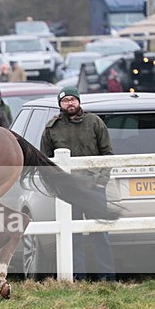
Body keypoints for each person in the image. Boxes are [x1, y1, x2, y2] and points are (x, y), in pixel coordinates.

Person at [40, 86, 116, 281]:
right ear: (60, 104)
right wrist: (59, 187)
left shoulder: (94, 122)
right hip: (68, 191)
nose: (70, 103)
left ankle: (108, 278)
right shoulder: (51, 128)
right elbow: (45, 162)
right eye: (65, 101)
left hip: (94, 187)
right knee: (72, 236)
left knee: (100, 233)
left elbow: (107, 154)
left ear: (79, 101)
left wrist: (101, 182)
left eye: (72, 99)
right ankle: (77, 278)